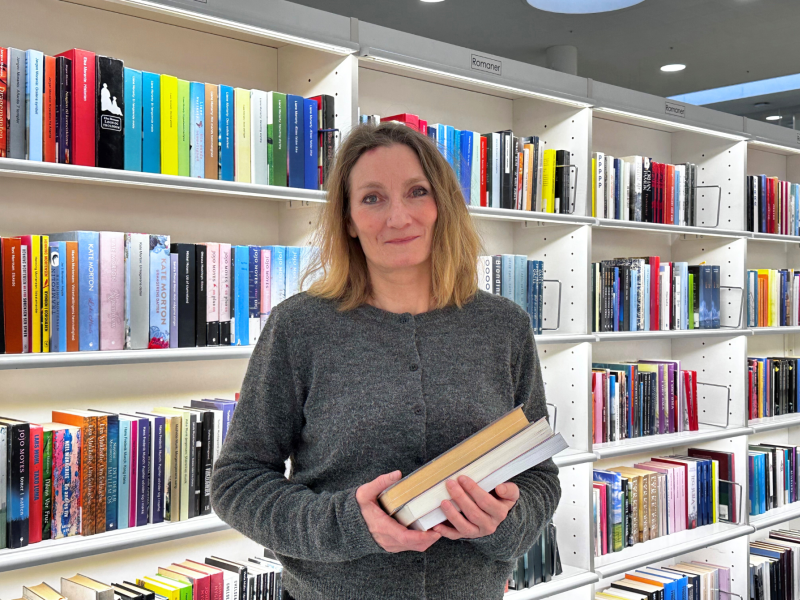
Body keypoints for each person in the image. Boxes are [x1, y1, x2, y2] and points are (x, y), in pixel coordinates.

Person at [210, 122, 561, 600]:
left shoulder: (503, 326)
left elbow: (538, 474)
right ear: (349, 220)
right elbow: (237, 482)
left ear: (442, 206)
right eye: (372, 198)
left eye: (417, 192)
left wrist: (504, 522)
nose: (398, 218)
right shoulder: (301, 327)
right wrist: (350, 524)